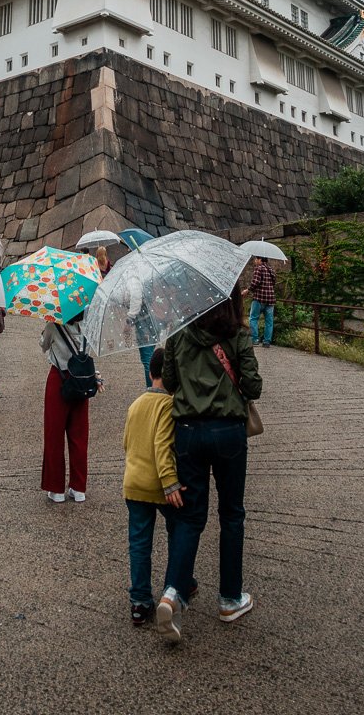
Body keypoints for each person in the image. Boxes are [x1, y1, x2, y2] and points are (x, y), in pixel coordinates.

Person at [157, 284, 262, 644]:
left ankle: (174, 593)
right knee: (232, 514)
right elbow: (254, 386)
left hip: (187, 432)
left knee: (190, 516)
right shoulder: (237, 334)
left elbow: (168, 383)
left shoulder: (178, 334)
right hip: (229, 432)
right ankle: (230, 598)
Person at [123, 346, 192, 628]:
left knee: (139, 543)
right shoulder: (168, 405)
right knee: (178, 531)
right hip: (159, 484)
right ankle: (176, 584)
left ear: (151, 373)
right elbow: (162, 446)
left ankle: (140, 601)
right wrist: (169, 481)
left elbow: (126, 443)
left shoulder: (136, 404)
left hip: (133, 482)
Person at [40, 314, 99, 503]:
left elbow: (43, 345)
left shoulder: (53, 325)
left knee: (54, 434)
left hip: (59, 379)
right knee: (79, 436)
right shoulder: (87, 326)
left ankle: (56, 489)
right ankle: (78, 487)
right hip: (80, 381)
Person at [125, 272, 156, 387]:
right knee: (148, 357)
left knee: (147, 357)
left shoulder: (134, 277)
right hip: (149, 318)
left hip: (145, 320)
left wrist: (129, 320)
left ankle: (152, 390)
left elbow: (136, 297)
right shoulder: (144, 274)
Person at [243, 257, 276, 347]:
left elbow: (255, 282)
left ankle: (255, 339)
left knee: (253, 318)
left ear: (260, 259)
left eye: (256, 259)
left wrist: (248, 290)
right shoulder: (271, 270)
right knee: (269, 321)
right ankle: (267, 342)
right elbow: (273, 283)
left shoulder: (259, 268)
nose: (255, 261)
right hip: (270, 299)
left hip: (259, 298)